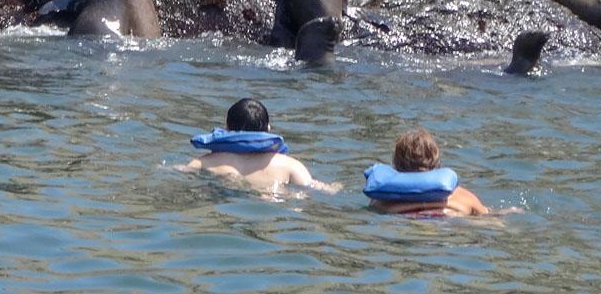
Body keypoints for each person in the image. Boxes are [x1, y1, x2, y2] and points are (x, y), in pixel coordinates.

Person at [179, 98, 339, 193]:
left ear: (226, 127)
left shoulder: (203, 163)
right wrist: (335, 187)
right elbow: (312, 188)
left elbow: (181, 174)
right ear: (268, 129)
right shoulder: (291, 166)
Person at [365, 129, 492, 216]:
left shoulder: (381, 199)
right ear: (437, 163)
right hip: (450, 217)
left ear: (395, 164)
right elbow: (488, 217)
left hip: (400, 219)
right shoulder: (462, 196)